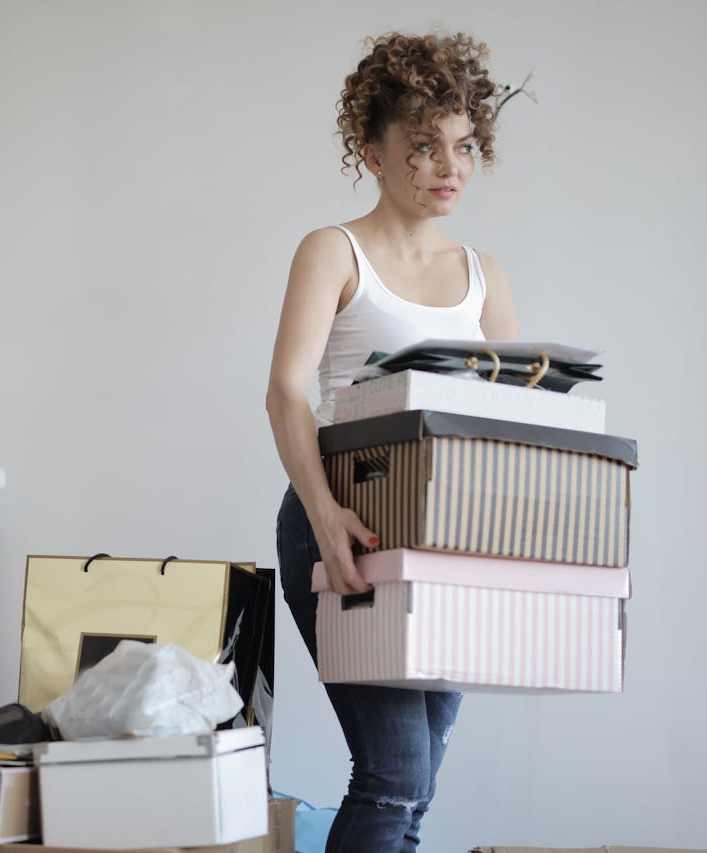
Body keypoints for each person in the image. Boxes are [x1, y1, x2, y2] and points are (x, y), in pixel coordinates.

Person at [265, 32, 520, 853]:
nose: (449, 166)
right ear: (371, 154)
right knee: (395, 772)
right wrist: (324, 512)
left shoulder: (485, 274)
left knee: (417, 781)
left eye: (463, 146)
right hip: (345, 518)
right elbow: (286, 392)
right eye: (421, 147)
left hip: (447, 537)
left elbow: (510, 423)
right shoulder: (333, 251)